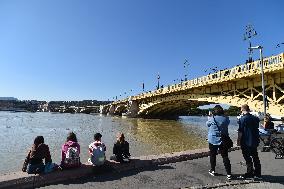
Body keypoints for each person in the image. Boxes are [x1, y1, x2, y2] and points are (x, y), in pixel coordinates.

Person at [206, 105, 232, 180]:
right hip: (223, 140)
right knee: (225, 156)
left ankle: (213, 170)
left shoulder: (211, 118)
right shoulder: (226, 119)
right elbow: (227, 122)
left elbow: (207, 125)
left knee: (212, 155)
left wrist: (209, 117)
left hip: (212, 140)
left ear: (214, 111)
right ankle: (229, 174)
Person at [237, 104, 261, 179]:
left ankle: (249, 172)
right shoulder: (256, 118)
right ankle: (258, 174)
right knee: (255, 157)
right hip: (254, 140)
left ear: (242, 110)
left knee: (247, 157)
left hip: (246, 141)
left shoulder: (242, 119)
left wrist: (238, 140)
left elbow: (240, 132)